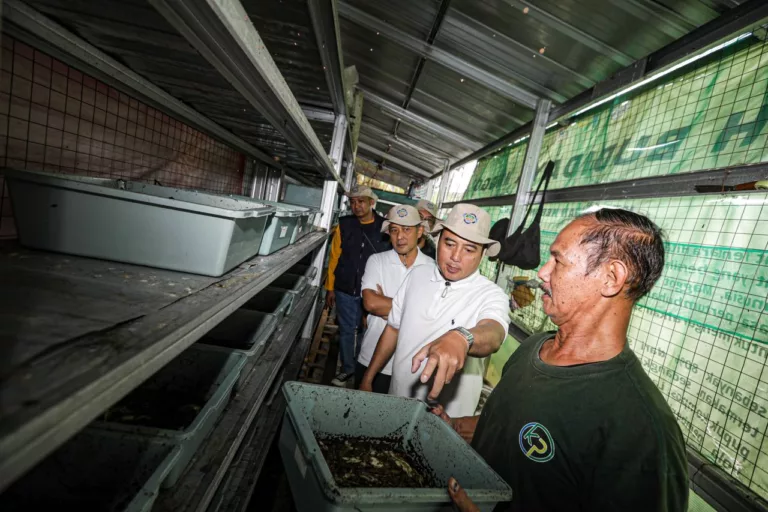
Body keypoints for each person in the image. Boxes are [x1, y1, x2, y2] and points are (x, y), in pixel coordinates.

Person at [435, 208, 688, 512]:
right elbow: (514, 427)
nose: (542, 272)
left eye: (558, 260)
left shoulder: (641, 432)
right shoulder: (534, 349)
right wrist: (459, 427)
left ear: (611, 278)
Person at [361, 204, 510, 417]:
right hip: (396, 402)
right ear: (438, 240)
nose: (456, 257)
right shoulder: (416, 276)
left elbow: (493, 333)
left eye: (469, 249)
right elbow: (393, 329)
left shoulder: (491, 294)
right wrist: (368, 377)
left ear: (483, 254)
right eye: (450, 244)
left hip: (444, 419)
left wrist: (462, 338)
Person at [356, 205, 434, 393]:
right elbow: (371, 303)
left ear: (420, 231)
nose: (400, 237)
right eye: (394, 230)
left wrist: (387, 307)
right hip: (370, 357)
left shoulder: (432, 268)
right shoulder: (377, 261)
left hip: (411, 367)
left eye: (407, 229)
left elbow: (430, 316)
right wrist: (412, 310)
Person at [325, 185, 390, 387]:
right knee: (346, 329)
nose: (356, 206)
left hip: (370, 292)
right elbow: (334, 256)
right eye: (353, 202)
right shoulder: (344, 225)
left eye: (361, 201)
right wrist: (330, 287)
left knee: (367, 330)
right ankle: (347, 369)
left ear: (372, 203)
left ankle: (363, 368)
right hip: (344, 287)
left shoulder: (384, 227)